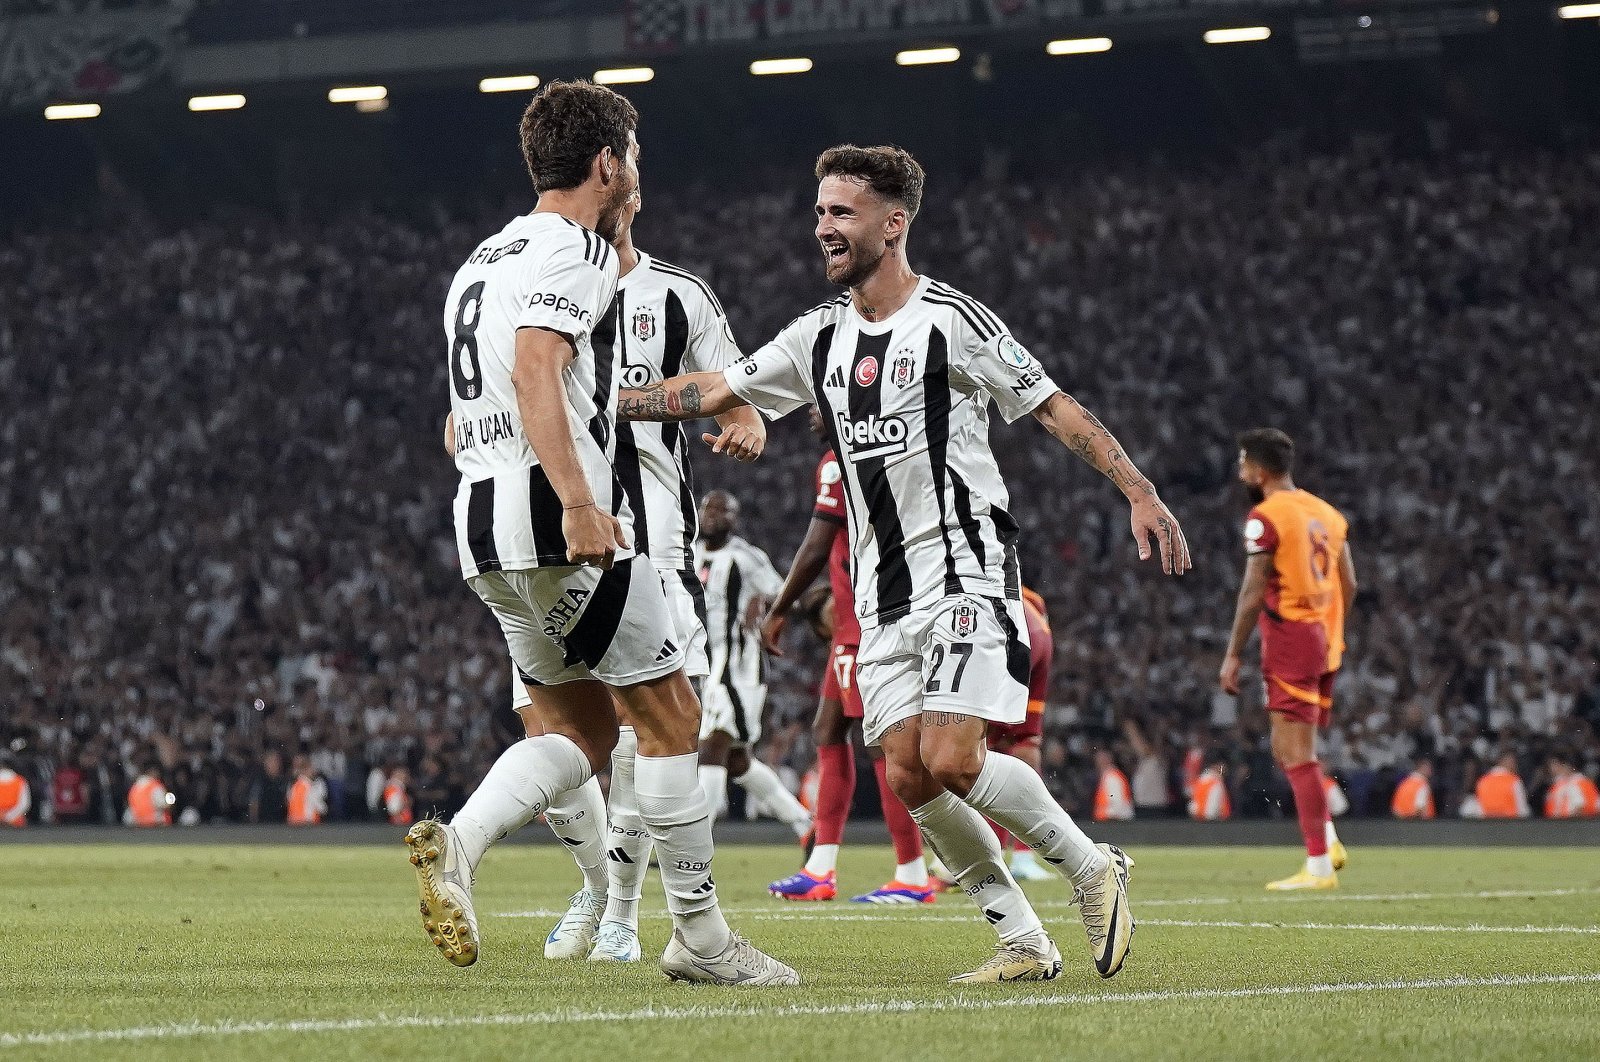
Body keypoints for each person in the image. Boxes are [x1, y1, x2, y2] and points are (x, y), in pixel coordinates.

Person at [621, 143, 1191, 982]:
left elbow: (1051, 406)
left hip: (966, 566)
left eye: (840, 213)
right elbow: (710, 391)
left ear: (894, 224)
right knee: (909, 775)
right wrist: (595, 400)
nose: (822, 229)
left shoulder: (952, 320)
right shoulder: (816, 335)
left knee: (955, 758)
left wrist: (1137, 488)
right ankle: (1022, 940)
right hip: (884, 597)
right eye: (818, 212)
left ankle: (1091, 867)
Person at [405, 80, 794, 986]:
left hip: (483, 522)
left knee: (580, 735)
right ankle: (701, 941)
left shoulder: (482, 258)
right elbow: (539, 365)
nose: (638, 175)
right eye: (636, 158)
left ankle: (460, 843)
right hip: (555, 515)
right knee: (672, 717)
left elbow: (470, 410)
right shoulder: (578, 248)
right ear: (607, 163)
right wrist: (581, 501)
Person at [450, 183, 765, 964]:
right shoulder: (554, 266)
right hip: (568, 516)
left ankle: (623, 912)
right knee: (566, 731)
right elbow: (493, 398)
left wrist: (739, 418)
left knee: (638, 731)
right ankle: (604, 891)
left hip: (646, 538)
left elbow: (737, 399)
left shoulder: (677, 295)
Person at [763, 416, 934, 905]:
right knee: (828, 729)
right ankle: (822, 866)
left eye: (821, 404)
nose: (812, 413)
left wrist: (780, 608)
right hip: (859, 619)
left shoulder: (839, 463)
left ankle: (913, 871)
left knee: (882, 745)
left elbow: (818, 543)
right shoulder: (882, 455)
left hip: (863, 623)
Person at [1220, 428, 1356, 891]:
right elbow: (1349, 585)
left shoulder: (1266, 517)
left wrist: (1233, 654)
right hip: (1323, 636)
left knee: (1296, 752)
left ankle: (1318, 866)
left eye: (1242, 462)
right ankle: (1329, 842)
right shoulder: (1328, 514)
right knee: (1288, 747)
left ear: (1258, 470)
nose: (1240, 470)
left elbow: (1254, 590)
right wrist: (1330, 631)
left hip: (1291, 636)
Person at [693, 490, 813, 839]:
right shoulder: (691, 554)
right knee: (737, 761)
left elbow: (786, 593)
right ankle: (804, 822)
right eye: (708, 508)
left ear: (735, 518)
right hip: (707, 665)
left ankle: (697, 839)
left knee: (712, 747)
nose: (713, 515)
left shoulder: (746, 557)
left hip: (740, 668)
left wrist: (762, 600)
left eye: (722, 510)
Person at [986, 587, 1056, 880]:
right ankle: (1024, 855)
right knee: (1024, 750)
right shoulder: (1030, 596)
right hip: (1040, 645)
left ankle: (990, 852)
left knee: (982, 755)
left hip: (1007, 642)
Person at [1474, 751, 1530, 819]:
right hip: (1511, 825)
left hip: (1488, 825)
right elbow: (1522, 810)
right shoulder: (1514, 780)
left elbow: (1479, 810)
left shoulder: (1482, 781)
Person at [1542, 753, 1597, 819]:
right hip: (1554, 825)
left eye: (1555, 764)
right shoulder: (1557, 784)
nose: (1551, 768)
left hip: (1572, 826)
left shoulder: (1580, 783)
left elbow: (1581, 809)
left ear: (1567, 765)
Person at [125, 762, 172, 828]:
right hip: (156, 822)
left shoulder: (135, 786)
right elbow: (163, 804)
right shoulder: (155, 785)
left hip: (138, 823)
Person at [1092, 750, 1134, 822]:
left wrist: (1101, 813)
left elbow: (1117, 806)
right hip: (1113, 821)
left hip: (1117, 822)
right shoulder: (1107, 776)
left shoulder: (1112, 777)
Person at [1189, 752, 1231, 821]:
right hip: (1209, 818)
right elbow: (1212, 808)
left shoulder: (1203, 777)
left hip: (1198, 814)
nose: (1225, 769)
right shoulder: (1215, 781)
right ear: (1217, 765)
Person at [287, 755, 327, 825]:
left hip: (294, 822)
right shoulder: (309, 786)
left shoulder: (294, 785)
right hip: (307, 822)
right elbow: (319, 807)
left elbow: (288, 799)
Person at [0, 755, 30, 828]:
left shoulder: (20, 781)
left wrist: (2, 817)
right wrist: (9, 817)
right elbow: (24, 804)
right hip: (16, 821)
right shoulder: (20, 781)